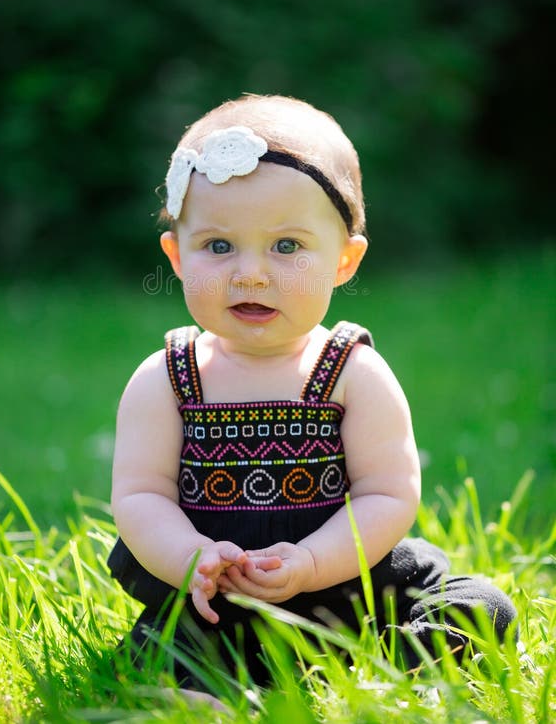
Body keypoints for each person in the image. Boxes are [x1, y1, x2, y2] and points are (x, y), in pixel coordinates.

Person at [108, 94, 516, 693]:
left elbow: (387, 493)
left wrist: (312, 564)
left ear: (344, 261)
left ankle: (385, 660)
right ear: (176, 255)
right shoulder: (167, 377)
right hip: (222, 597)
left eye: (287, 247)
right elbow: (142, 496)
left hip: (351, 583)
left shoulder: (351, 370)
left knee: (482, 607)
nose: (251, 273)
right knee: (164, 647)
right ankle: (213, 683)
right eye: (219, 246)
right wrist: (191, 558)